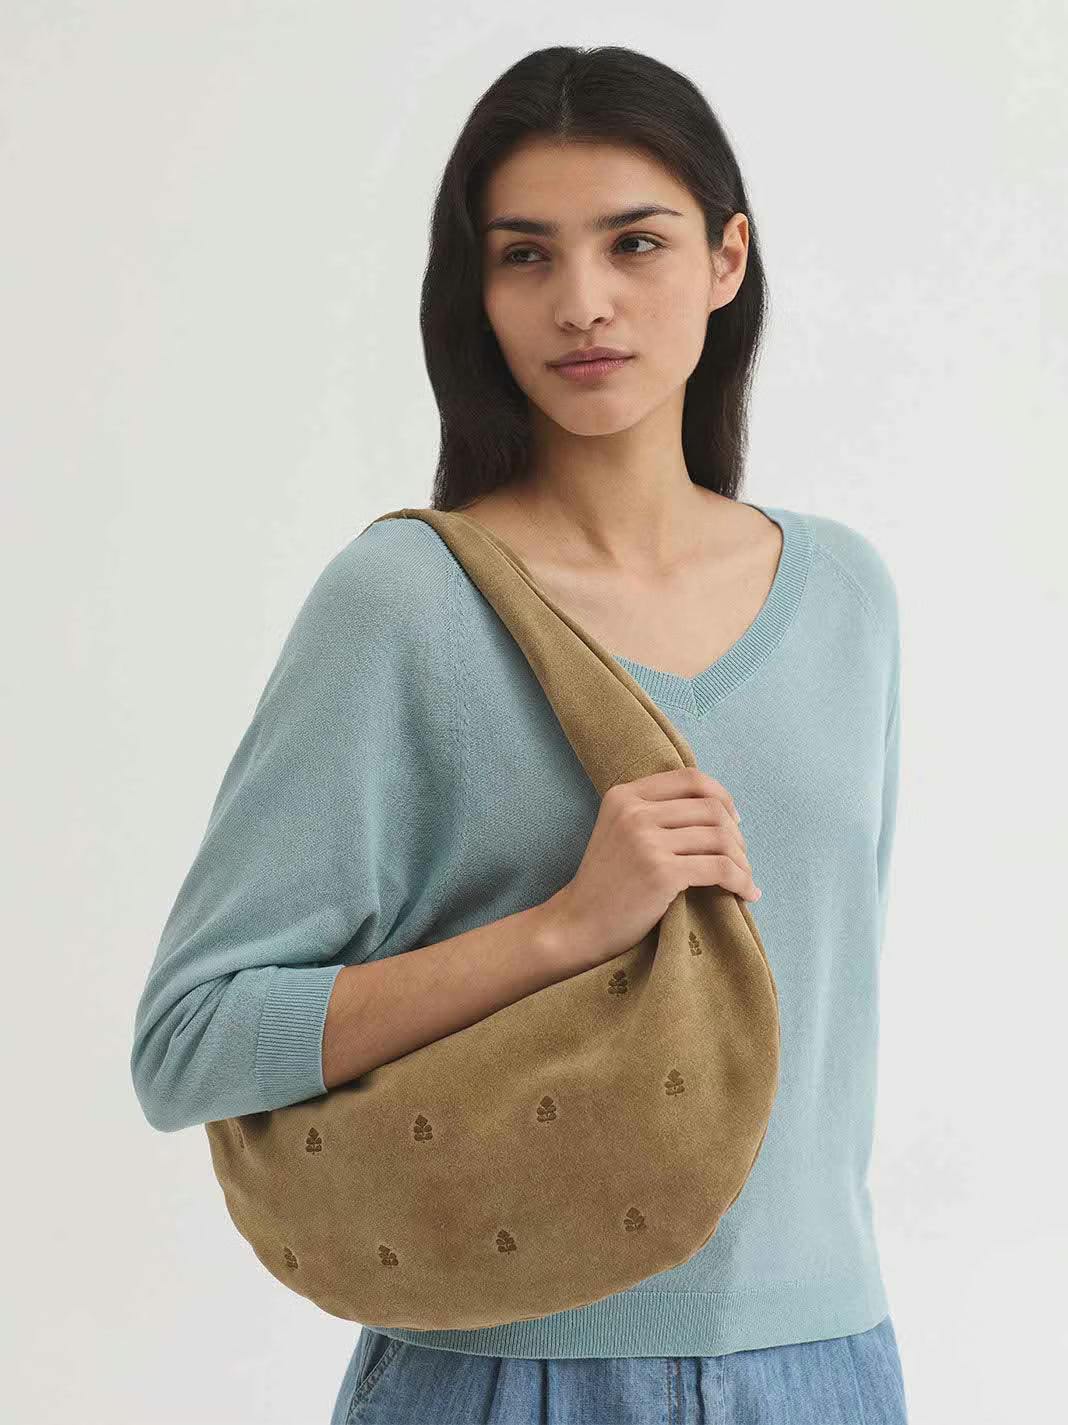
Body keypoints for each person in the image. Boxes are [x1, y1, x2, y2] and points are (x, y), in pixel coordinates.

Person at [131, 44, 908, 1425]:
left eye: (635, 242)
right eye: (526, 256)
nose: (583, 301)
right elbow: (189, 1042)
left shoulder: (845, 595)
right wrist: (562, 930)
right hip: (503, 1375)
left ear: (728, 260)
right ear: (476, 293)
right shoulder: (404, 601)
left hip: (826, 1362)